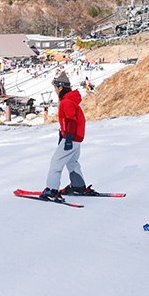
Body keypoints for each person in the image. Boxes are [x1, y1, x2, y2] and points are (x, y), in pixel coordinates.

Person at [39, 71, 96, 201]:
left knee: (56, 162)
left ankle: (52, 190)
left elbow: (71, 120)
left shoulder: (67, 102)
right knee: (72, 162)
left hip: (72, 138)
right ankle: (78, 186)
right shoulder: (69, 100)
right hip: (75, 137)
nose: (55, 91)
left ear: (61, 88)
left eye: (56, 88)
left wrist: (68, 138)